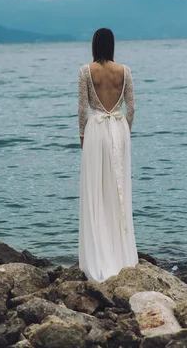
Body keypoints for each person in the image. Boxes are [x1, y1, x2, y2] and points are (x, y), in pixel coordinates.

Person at [78, 28, 138, 282]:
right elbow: (131, 106)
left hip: (96, 130)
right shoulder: (124, 71)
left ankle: (99, 255)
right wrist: (125, 130)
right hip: (118, 129)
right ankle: (121, 253)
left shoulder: (85, 71)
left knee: (96, 192)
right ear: (112, 45)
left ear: (94, 45)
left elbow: (82, 109)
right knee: (118, 190)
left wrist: (83, 137)